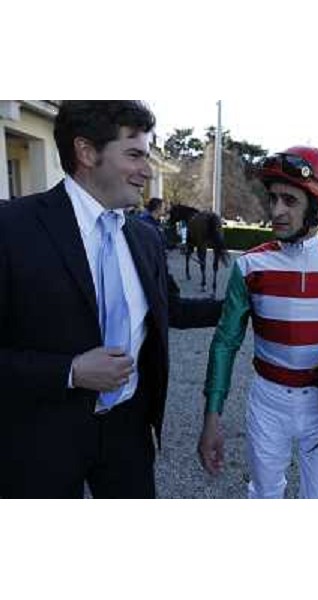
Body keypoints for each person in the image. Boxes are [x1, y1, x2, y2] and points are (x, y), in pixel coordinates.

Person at [0, 101, 222, 498]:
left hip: (129, 433)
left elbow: (170, 310)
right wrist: (69, 371)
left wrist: (246, 302)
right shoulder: (12, 228)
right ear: (87, 152)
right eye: (135, 154)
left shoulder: (145, 237)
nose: (147, 171)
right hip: (39, 441)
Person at [198, 146, 318, 498]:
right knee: (265, 495)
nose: (276, 211)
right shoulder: (248, 266)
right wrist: (211, 417)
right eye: (273, 198)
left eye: (289, 201)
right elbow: (226, 342)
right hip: (267, 400)